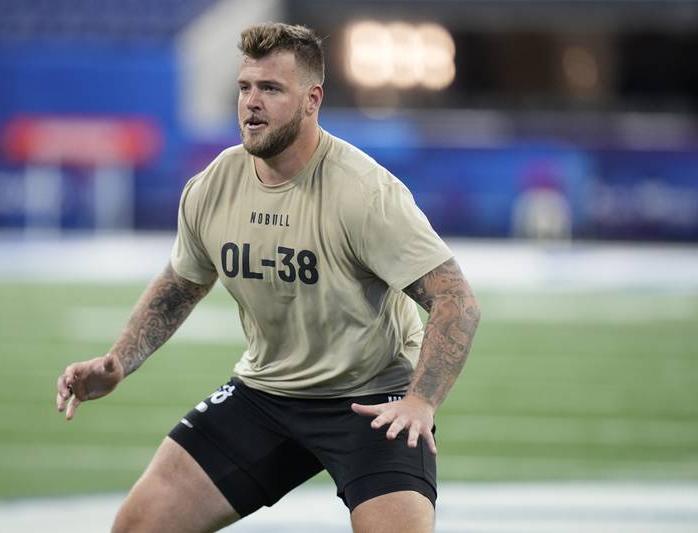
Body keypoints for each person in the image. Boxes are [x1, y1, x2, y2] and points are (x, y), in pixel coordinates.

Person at [56, 22, 480, 533]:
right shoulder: (214, 184)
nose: (251, 103)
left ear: (311, 100)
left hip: (373, 399)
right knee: (136, 527)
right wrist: (119, 361)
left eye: (271, 89)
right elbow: (180, 284)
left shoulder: (364, 193)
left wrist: (420, 400)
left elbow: (455, 299)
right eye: (245, 88)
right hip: (265, 392)